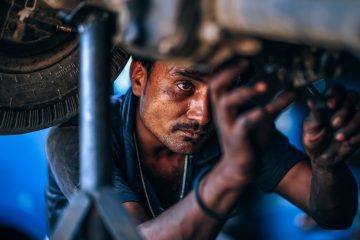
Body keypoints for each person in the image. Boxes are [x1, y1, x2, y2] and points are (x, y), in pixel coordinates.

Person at [46, 58, 360, 239]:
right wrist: (230, 174)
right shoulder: (77, 138)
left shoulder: (233, 127)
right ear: (139, 78)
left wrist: (325, 165)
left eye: (220, 92)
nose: (203, 115)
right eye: (185, 86)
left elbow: (335, 214)